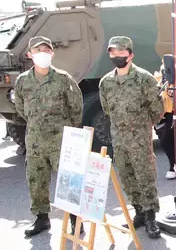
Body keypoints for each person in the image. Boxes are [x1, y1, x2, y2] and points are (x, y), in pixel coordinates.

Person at [13, 36, 84, 237]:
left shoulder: (63, 78)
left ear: (52, 53)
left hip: (61, 139)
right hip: (35, 140)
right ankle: (42, 218)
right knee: (36, 180)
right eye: (38, 51)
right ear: (30, 54)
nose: (42, 54)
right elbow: (21, 108)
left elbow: (76, 107)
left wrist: (67, 130)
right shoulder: (22, 81)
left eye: (46, 50)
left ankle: (75, 219)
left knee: (68, 180)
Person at [99, 36, 165, 239]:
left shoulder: (144, 79)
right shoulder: (106, 82)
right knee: (127, 177)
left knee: (145, 177)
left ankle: (151, 217)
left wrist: (141, 126)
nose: (117, 56)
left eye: (121, 52)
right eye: (113, 52)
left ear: (130, 55)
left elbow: (157, 109)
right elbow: (107, 109)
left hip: (140, 138)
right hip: (118, 139)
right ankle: (139, 213)